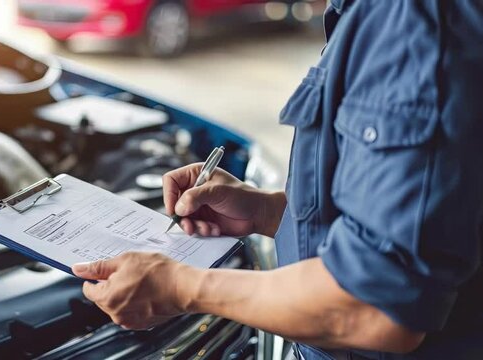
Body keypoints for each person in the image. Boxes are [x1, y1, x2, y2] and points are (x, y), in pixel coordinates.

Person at [72, 1, 483, 359]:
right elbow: (435, 217)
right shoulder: (366, 14)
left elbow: (374, 310)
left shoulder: (412, 23)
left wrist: (183, 288)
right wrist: (269, 212)